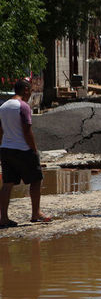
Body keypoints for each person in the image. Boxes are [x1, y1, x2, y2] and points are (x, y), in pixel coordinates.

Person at [0, 79, 51, 227]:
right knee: (36, 180)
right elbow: (27, 131)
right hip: (23, 149)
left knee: (7, 184)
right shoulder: (23, 106)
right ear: (26, 90)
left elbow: (0, 130)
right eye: (30, 91)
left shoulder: (3, 106)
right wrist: (34, 150)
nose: (30, 94)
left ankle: (3, 218)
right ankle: (36, 213)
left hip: (6, 149)